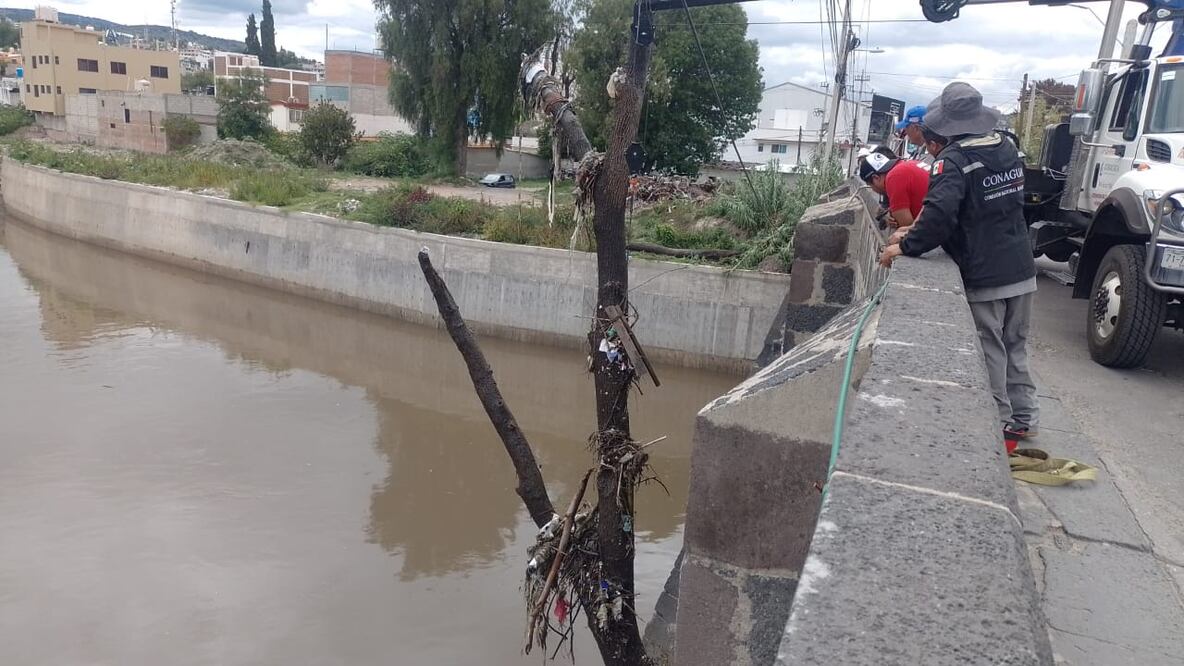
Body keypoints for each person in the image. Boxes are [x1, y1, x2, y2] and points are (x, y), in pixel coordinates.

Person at [879, 82, 1039, 438]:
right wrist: (914, 230)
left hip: (985, 271)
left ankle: (998, 424)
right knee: (1015, 344)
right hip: (1021, 265)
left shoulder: (953, 160)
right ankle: (1025, 417)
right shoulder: (1006, 147)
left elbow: (940, 217)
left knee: (989, 346)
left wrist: (906, 246)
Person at [859, 151, 930, 230]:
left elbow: (906, 229)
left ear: (876, 178)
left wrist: (898, 219)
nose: (873, 190)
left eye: (870, 185)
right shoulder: (908, 164)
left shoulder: (893, 177)